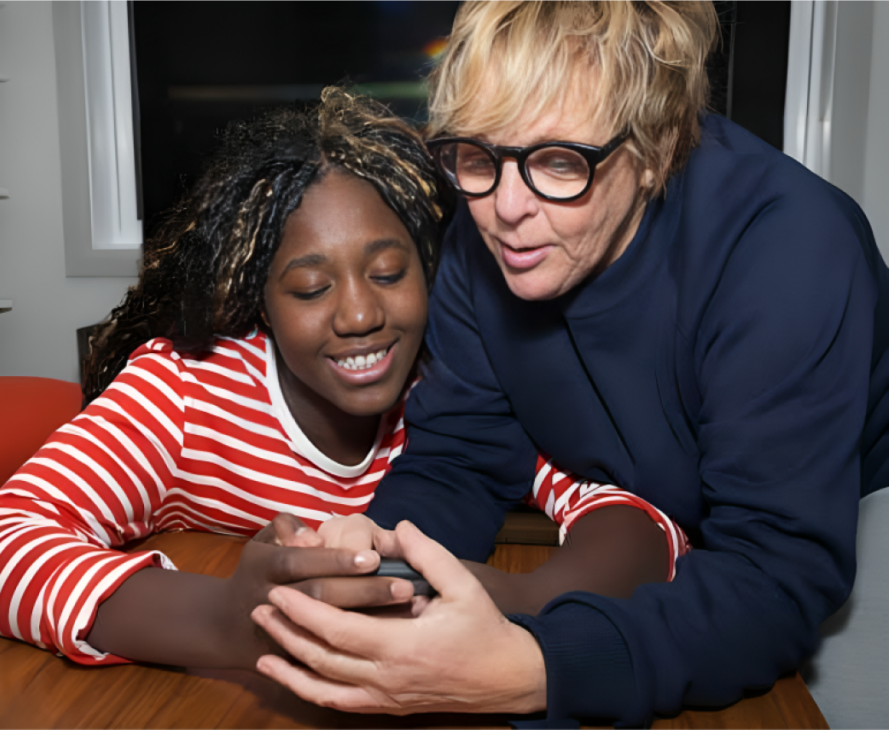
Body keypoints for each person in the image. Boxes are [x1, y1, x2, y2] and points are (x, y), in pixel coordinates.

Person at [248, 2, 889, 728]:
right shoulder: (477, 236)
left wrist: (536, 669)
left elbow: (776, 576)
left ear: (655, 148)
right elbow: (460, 457)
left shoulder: (790, 253)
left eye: (559, 161)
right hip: (663, 549)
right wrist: (385, 552)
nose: (505, 210)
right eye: (478, 154)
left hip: (846, 545)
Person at [0, 88, 686, 673]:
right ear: (257, 299)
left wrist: (513, 602)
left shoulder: (466, 385)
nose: (360, 313)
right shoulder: (183, 393)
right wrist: (227, 620)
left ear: (437, 275)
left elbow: (636, 512)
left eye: (391, 273)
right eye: (308, 288)